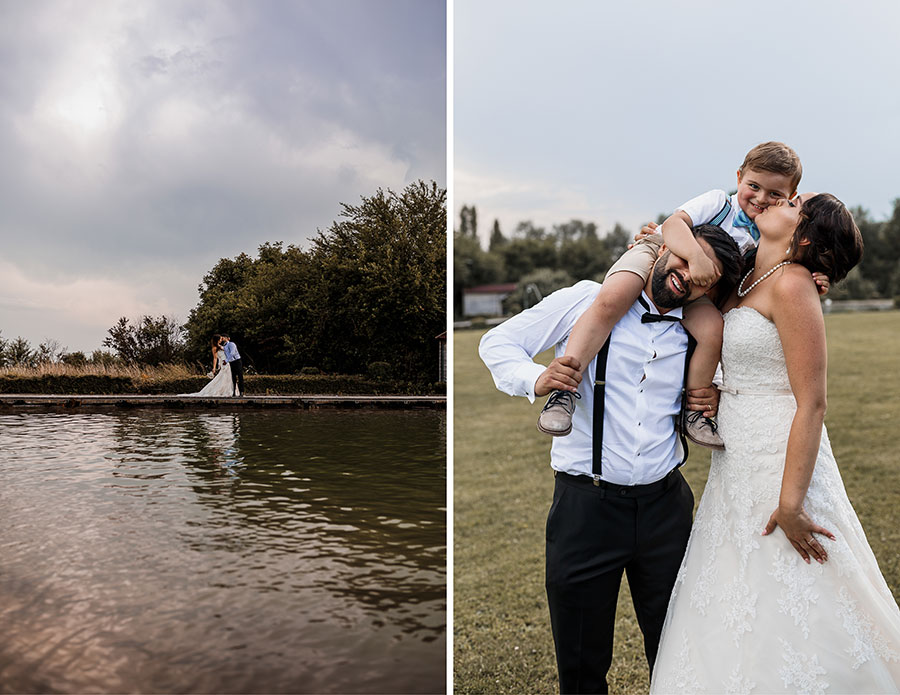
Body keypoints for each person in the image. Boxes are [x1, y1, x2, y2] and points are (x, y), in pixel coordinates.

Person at [650, 193, 900, 693]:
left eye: (795, 202)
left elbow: (813, 403)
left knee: (798, 577)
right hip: (737, 460)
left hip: (781, 451)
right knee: (736, 584)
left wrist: (790, 503)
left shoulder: (792, 284)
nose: (781, 199)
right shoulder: (744, 274)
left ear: (802, 236)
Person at [480, 224, 743, 694]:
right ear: (663, 250)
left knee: (678, 651)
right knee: (581, 661)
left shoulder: (701, 328)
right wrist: (536, 378)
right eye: (684, 261)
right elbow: (497, 342)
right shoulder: (586, 299)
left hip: (667, 508)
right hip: (587, 508)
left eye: (703, 278)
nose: (687, 277)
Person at [538, 142, 830, 450]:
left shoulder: (768, 234)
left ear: (790, 197)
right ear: (739, 176)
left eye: (774, 195)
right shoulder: (719, 203)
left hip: (695, 288)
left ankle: (694, 410)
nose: (760, 199)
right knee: (612, 299)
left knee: (711, 329)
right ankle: (565, 388)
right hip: (660, 252)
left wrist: (814, 278)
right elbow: (674, 223)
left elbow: (773, 274)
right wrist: (695, 257)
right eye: (753, 186)